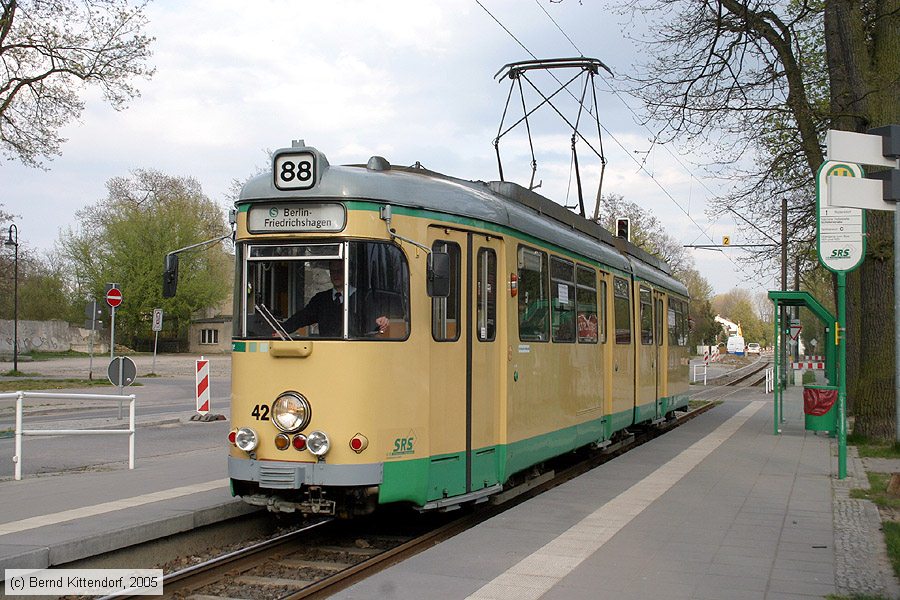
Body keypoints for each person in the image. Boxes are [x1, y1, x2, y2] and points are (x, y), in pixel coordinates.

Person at [281, 261, 389, 337]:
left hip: (353, 351)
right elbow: (301, 317)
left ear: (349, 272)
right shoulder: (320, 299)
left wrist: (382, 321)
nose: (336, 275)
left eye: (340, 271)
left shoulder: (363, 298)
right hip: (327, 352)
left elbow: (376, 320)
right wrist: (282, 329)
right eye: (333, 271)